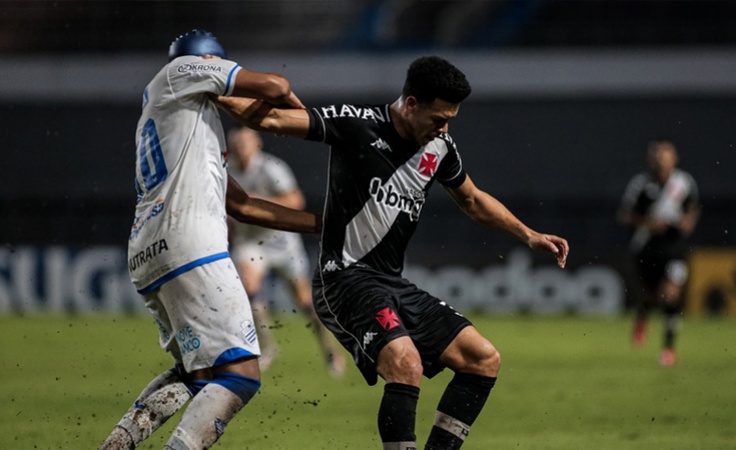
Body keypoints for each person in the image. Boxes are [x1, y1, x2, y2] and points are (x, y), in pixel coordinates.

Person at [216, 56, 569, 449]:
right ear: (412, 103)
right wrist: (212, 87)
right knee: (406, 364)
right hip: (344, 279)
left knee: (482, 358)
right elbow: (270, 120)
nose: (445, 128)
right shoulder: (356, 122)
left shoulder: (440, 148)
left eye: (450, 119)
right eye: (439, 118)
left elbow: (472, 200)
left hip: (390, 282)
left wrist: (528, 234)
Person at [98, 29, 320, 450]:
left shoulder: (182, 121)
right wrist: (301, 119)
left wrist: (320, 224)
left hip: (148, 250)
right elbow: (277, 86)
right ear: (209, 64)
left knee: (197, 374)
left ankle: (115, 446)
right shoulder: (179, 72)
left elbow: (243, 205)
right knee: (241, 375)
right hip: (190, 243)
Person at [226, 126, 346, 375]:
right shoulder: (227, 172)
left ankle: (329, 349)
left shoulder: (270, 167)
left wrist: (256, 202)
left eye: (245, 143)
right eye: (237, 144)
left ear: (256, 144)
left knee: (304, 302)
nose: (241, 148)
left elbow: (296, 201)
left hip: (280, 241)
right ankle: (267, 347)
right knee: (248, 289)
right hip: (249, 241)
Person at [617, 138, 700, 367]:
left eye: (665, 155)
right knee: (650, 296)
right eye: (657, 156)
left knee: (671, 293)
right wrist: (648, 223)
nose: (661, 160)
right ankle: (642, 318)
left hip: (674, 248)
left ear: (674, 158)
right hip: (647, 247)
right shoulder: (640, 185)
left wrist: (687, 223)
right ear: (650, 159)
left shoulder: (683, 183)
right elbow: (624, 215)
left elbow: (693, 209)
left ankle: (668, 348)